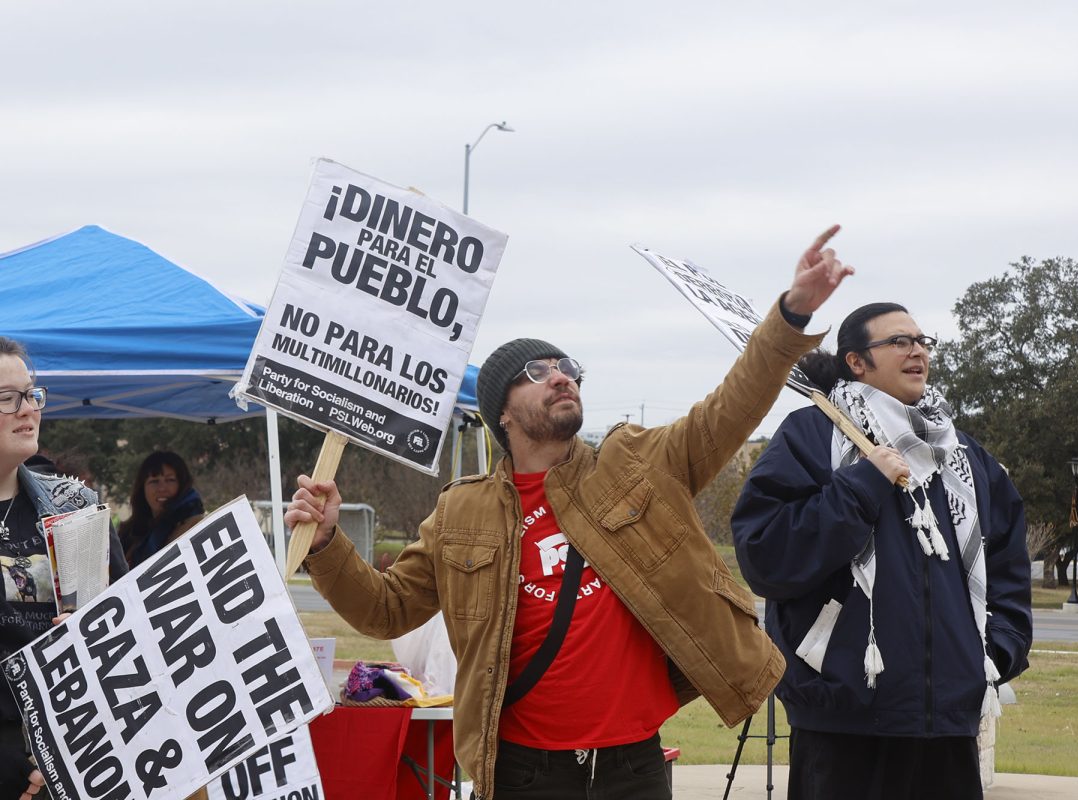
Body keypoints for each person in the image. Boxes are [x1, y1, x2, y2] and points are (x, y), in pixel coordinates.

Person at [286, 226, 853, 800]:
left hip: (633, 767)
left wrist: (791, 316)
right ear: (501, 414)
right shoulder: (462, 510)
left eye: (567, 367)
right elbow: (384, 611)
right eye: (536, 372)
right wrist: (328, 543)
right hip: (522, 774)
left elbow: (730, 408)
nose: (561, 375)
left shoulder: (637, 462)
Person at [731, 302, 1032, 800]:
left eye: (922, 340)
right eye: (898, 341)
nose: (917, 350)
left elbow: (1007, 570)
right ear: (856, 361)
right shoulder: (811, 436)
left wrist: (994, 652)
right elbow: (766, 555)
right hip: (844, 724)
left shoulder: (963, 455)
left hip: (949, 726)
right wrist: (860, 485)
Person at [0, 337, 128, 798]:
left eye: (31, 394)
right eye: (6, 398)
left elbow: (121, 638)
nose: (27, 409)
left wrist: (61, 753)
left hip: (66, 757)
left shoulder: (75, 507)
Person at [118, 450, 205, 568]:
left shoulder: (196, 527)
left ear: (182, 485)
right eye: (154, 481)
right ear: (142, 488)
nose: (162, 488)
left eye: (170, 480)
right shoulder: (129, 534)